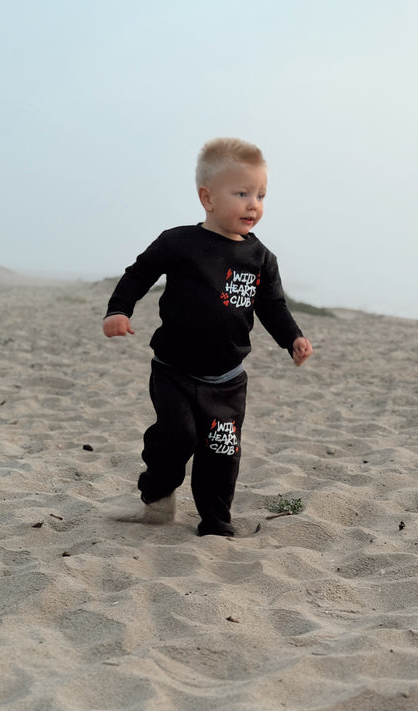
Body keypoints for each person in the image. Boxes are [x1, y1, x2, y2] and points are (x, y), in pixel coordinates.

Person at [103, 137, 313, 536]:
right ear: (208, 198)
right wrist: (119, 310)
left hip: (227, 381)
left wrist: (293, 339)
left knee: (222, 451)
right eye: (242, 193)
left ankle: (216, 522)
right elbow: (138, 274)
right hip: (174, 372)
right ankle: (157, 502)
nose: (253, 205)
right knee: (176, 437)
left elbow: (273, 306)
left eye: (261, 195)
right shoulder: (178, 242)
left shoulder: (261, 259)